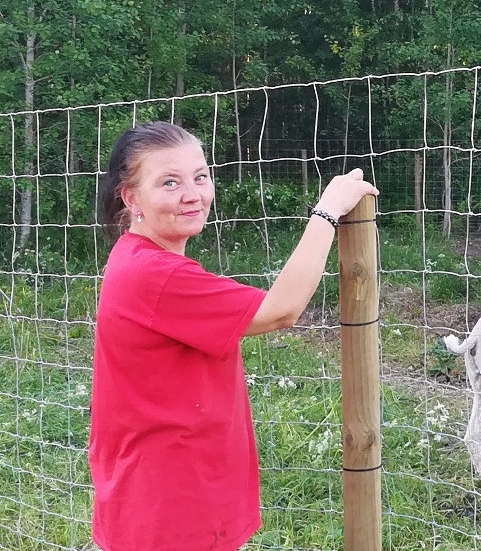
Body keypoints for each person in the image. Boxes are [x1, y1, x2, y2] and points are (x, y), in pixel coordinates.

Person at [88, 121, 378, 551]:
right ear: (131, 198)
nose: (193, 194)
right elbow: (281, 310)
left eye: (200, 177)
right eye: (169, 182)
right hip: (172, 508)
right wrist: (326, 212)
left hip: (167, 492)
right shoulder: (154, 274)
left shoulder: (136, 258)